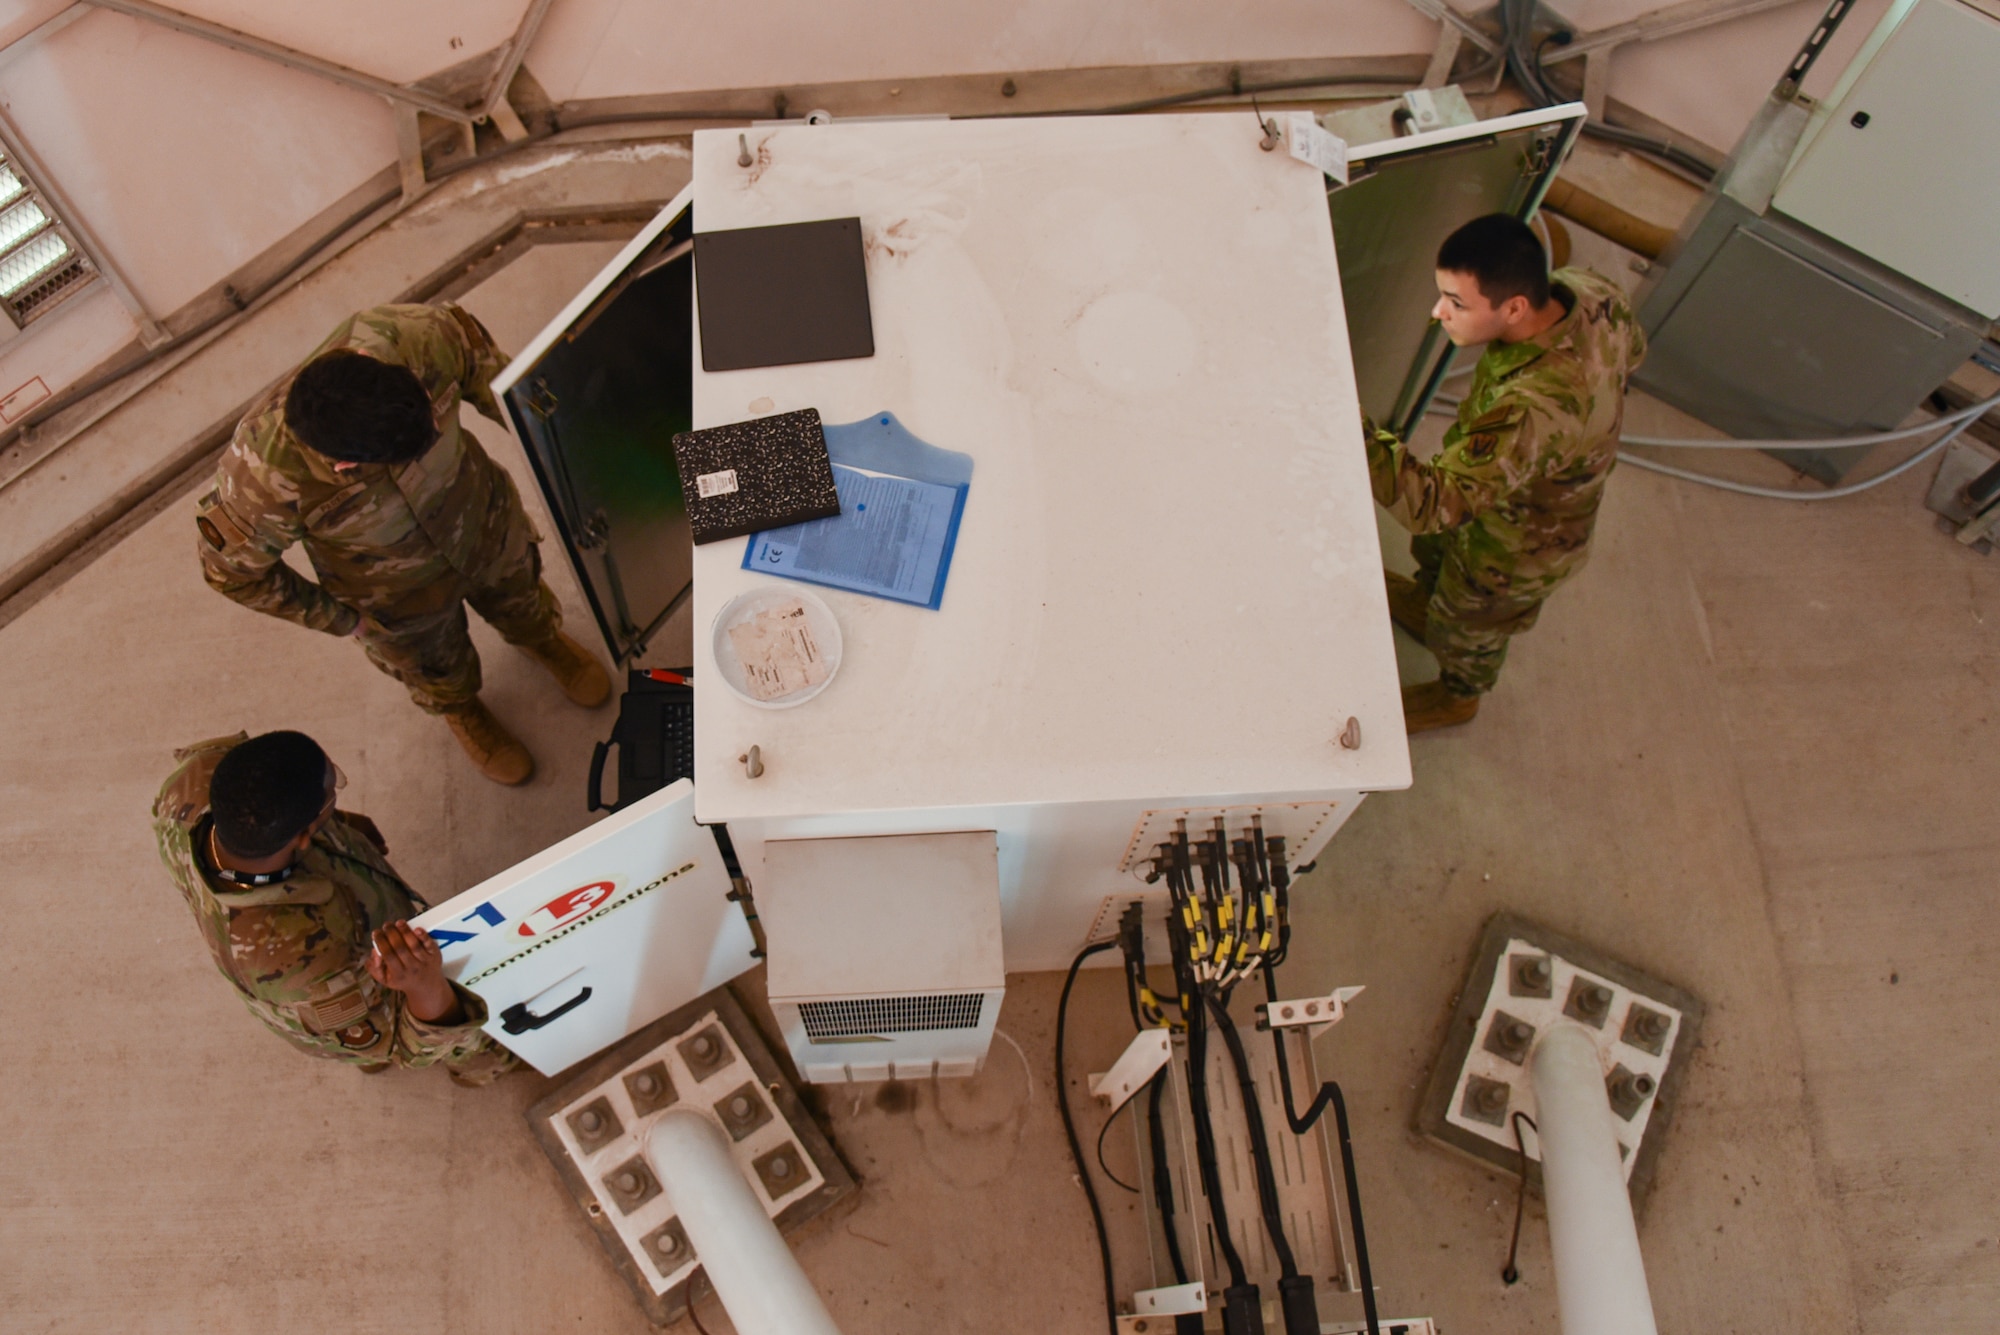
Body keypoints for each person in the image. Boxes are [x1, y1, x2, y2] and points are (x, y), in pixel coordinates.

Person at [195, 303, 610, 785]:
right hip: (393, 593)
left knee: (521, 594)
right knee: (435, 663)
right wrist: (343, 620)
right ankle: (461, 708)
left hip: (483, 519)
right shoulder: (259, 479)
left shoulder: (416, 336)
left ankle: (542, 639)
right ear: (347, 466)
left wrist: (567, 453)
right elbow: (232, 575)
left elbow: (510, 392)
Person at [1366, 213, 1647, 732]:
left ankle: (1457, 697)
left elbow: (1433, 503)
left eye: (1457, 303)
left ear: (1514, 306)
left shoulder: (1532, 410)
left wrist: (1349, 430)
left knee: (1468, 626)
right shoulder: (1592, 292)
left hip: (1516, 544)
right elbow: (1634, 353)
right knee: (1436, 563)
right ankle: (1428, 604)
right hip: (1499, 491)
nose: (1438, 312)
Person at [152, 729, 518, 1085]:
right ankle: (481, 1067)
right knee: (447, 1040)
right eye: (331, 798)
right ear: (302, 836)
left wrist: (338, 827)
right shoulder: (306, 963)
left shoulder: (194, 780)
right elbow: (404, 1047)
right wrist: (425, 984)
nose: (336, 800)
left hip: (341, 975)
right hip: (333, 1008)